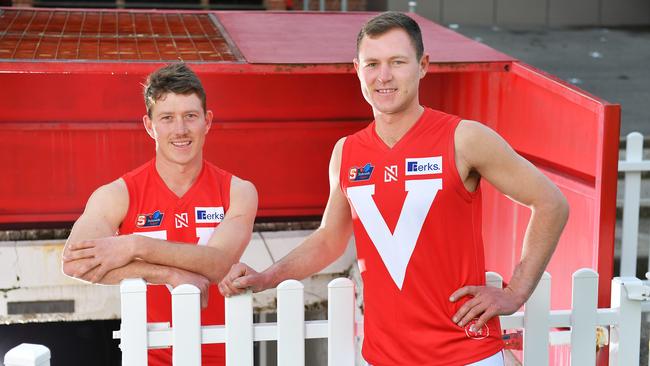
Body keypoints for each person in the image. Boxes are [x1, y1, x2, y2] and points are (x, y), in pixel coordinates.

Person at [218, 12, 569, 365]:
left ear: (423, 65)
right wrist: (266, 277)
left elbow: (551, 203)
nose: (383, 76)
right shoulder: (347, 153)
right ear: (357, 70)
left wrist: (515, 293)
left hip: (465, 355)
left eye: (397, 62)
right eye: (372, 64)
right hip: (384, 358)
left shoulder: (464, 138)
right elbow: (329, 239)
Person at [62, 63, 257, 365]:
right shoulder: (118, 194)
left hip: (225, 355)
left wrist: (135, 245)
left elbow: (219, 264)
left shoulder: (238, 190)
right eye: (167, 118)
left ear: (207, 121)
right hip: (149, 356)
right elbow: (75, 263)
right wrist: (165, 273)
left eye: (190, 116)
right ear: (149, 125)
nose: (180, 130)